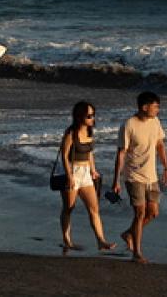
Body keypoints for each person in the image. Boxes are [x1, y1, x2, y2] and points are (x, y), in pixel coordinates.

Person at [112, 91, 167, 264]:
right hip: (134, 175)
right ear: (144, 107)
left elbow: (160, 144)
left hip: (151, 176)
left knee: (153, 213)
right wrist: (116, 180)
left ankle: (129, 233)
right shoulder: (129, 125)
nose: (157, 110)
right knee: (140, 213)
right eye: (155, 106)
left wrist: (166, 168)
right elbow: (121, 153)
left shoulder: (155, 121)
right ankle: (137, 253)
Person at [59, 101, 116, 252]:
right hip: (72, 171)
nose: (92, 118)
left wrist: (93, 170)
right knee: (68, 208)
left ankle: (101, 240)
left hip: (86, 174)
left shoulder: (90, 132)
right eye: (89, 116)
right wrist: (70, 176)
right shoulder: (71, 132)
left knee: (94, 208)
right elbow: (64, 156)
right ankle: (67, 240)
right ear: (80, 116)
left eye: (93, 115)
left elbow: (90, 153)